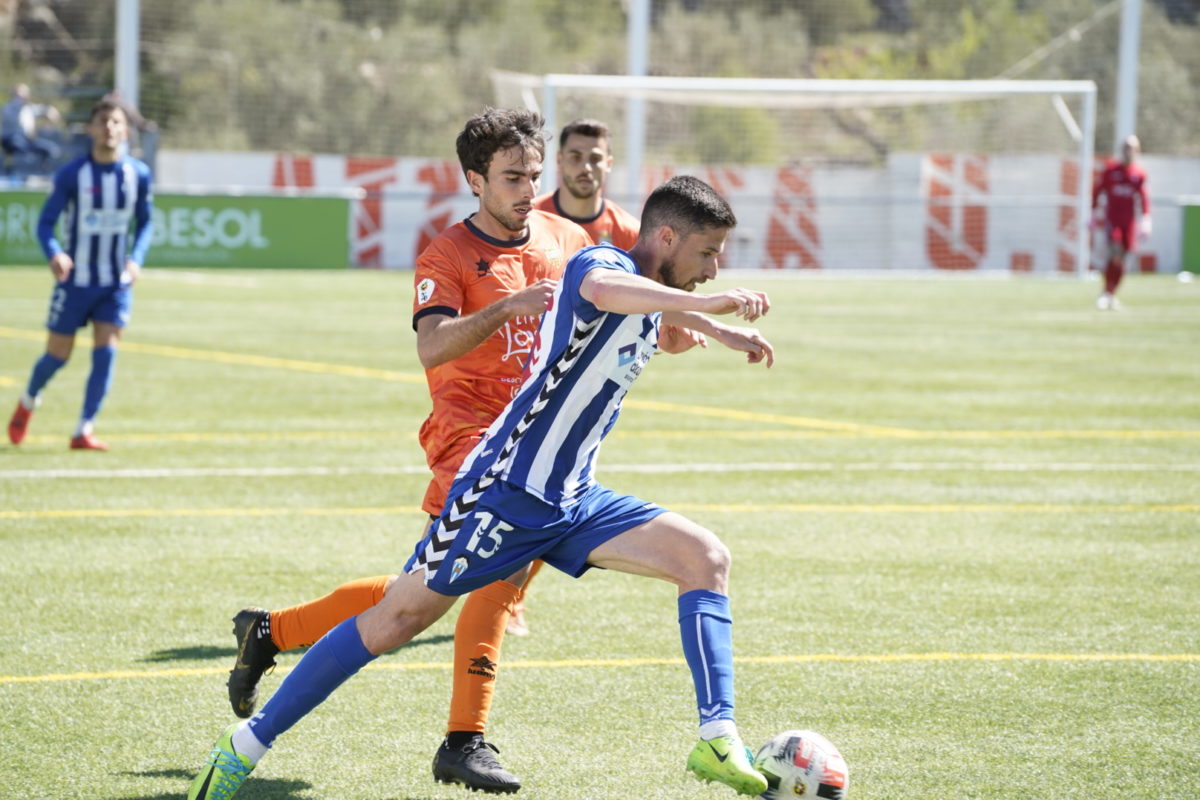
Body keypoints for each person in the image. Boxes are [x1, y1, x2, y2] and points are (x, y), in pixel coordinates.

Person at [187, 174, 775, 800]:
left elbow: (660, 320)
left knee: (705, 558)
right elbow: (609, 290)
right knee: (397, 619)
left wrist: (718, 331)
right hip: (504, 489)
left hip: (574, 499)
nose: (714, 268)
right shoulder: (601, 265)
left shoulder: (655, 302)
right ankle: (243, 747)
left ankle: (716, 736)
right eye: (708, 252)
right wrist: (711, 307)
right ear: (665, 236)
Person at [225, 107, 593, 794]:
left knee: (415, 594)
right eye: (513, 177)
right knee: (492, 579)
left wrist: (696, 324)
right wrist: (503, 313)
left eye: (533, 177)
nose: (526, 190)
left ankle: (271, 631)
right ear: (475, 179)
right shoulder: (446, 255)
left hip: (538, 444)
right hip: (470, 442)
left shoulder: (562, 237)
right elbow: (431, 344)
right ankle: (464, 739)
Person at [7, 98, 153, 451]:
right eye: (103, 121)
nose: (110, 128)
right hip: (75, 282)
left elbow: (146, 222)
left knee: (106, 352)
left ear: (125, 130)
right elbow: (45, 223)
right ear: (90, 129)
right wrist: (55, 252)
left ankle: (83, 429)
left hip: (114, 283)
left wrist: (136, 259)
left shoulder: (138, 175)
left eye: (116, 122)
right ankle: (28, 401)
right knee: (57, 356)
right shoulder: (72, 174)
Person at [533, 118, 639, 251]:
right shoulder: (530, 218)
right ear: (559, 160)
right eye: (575, 157)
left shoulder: (630, 234)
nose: (586, 168)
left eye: (595, 159)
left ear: (608, 164)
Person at [1091, 134, 1151, 311]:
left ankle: (1110, 294)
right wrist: (1093, 213)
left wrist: (1146, 219)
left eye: (1132, 148)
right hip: (1113, 221)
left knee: (1124, 259)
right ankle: (1106, 293)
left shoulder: (1138, 173)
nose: (1128, 151)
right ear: (1120, 149)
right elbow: (1097, 192)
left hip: (1130, 223)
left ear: (1137, 151)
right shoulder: (1110, 170)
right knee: (1115, 253)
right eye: (1125, 147)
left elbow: (1144, 198)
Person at [1, 83, 62, 175]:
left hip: (27, 142)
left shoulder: (29, 108)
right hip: (11, 141)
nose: (23, 97)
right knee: (18, 143)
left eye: (25, 94)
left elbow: (43, 110)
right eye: (20, 94)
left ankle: (41, 174)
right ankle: (14, 173)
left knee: (51, 150)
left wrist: (50, 111)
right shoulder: (7, 108)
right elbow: (16, 119)